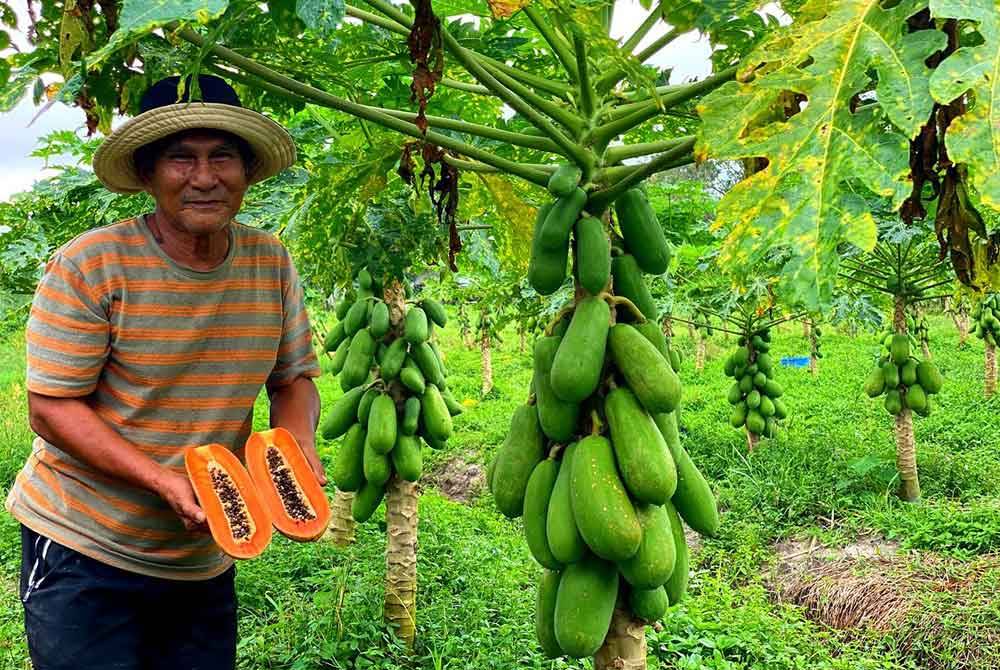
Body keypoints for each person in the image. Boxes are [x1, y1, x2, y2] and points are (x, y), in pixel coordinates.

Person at [5, 74, 325, 670]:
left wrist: (295, 445)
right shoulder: (91, 264)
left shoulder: (270, 262)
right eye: (181, 159)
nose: (204, 178)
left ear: (248, 171)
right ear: (149, 175)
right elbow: (51, 407)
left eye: (221, 157)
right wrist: (162, 480)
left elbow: (293, 378)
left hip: (203, 554)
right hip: (85, 546)